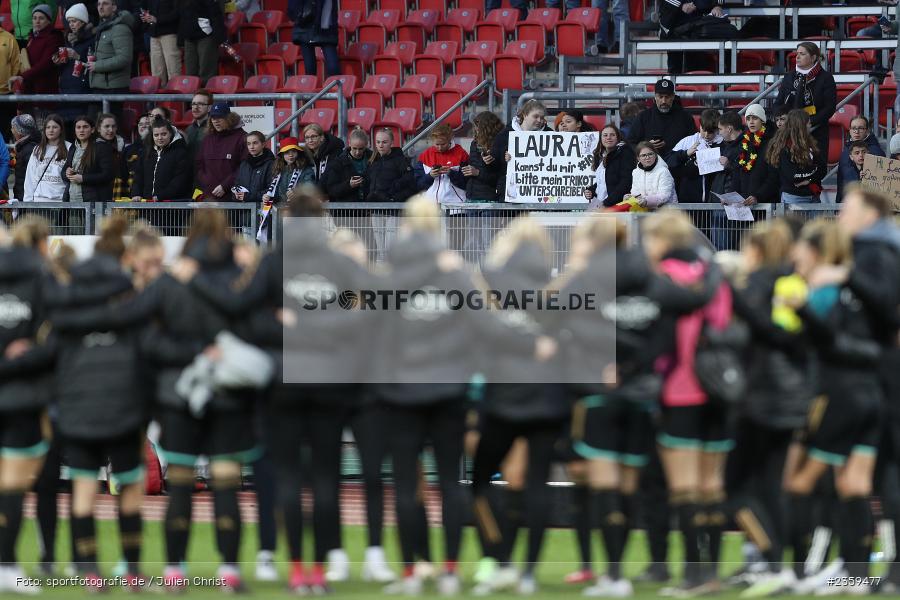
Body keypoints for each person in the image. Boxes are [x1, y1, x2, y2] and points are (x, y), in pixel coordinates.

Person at [52, 209, 266, 593]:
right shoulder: (238, 282)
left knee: (179, 484)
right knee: (225, 484)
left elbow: (134, 323)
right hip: (227, 394)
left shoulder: (169, 283)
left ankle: (171, 570)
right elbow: (256, 329)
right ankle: (228, 570)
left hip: (173, 394)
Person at [775, 219, 883, 595]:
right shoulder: (857, 290)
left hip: (833, 395)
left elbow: (813, 344)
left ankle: (798, 572)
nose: (794, 254)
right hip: (870, 393)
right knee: (854, 484)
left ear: (815, 251)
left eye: (801, 247)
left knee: (797, 481)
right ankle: (855, 573)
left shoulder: (819, 292)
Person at [641, 208, 735, 596]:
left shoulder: (663, 279)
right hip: (720, 390)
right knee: (712, 486)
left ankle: (692, 577)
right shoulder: (717, 279)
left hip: (680, 389)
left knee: (683, 488)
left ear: (664, 241)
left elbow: (659, 342)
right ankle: (710, 573)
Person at [468, 216, 564, 596]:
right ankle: (526, 572)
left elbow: (479, 333)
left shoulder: (489, 284)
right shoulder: (556, 289)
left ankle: (496, 558)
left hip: (503, 398)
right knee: (534, 483)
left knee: (479, 481)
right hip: (547, 398)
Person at [52, 216, 148, 592]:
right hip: (123, 411)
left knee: (83, 492)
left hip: (77, 414)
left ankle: (88, 568)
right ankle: (133, 569)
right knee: (128, 488)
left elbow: (51, 361)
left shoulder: (65, 317)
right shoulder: (131, 311)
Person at [730, 220, 814, 597]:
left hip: (766, 395)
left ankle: (773, 558)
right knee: (770, 485)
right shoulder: (790, 282)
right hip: (786, 394)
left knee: (737, 487)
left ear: (758, 251)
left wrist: (739, 303)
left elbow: (780, 335)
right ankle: (774, 563)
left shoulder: (762, 284)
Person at [0, 217, 55, 593]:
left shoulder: (40, 280)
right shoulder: (41, 280)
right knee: (14, 485)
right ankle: (6, 565)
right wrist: (23, 357)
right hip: (23, 397)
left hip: (20, 395)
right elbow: (52, 343)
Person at [773, 42, 837, 173]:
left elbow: (829, 108)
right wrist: (785, 120)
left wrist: (808, 123)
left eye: (802, 54)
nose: (797, 57)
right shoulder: (789, 77)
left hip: (815, 131)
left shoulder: (826, 78)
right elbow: (778, 104)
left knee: (814, 170)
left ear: (813, 57)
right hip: (789, 131)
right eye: (797, 54)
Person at [366, 128, 418, 260]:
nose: (380, 145)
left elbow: (411, 185)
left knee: (390, 246)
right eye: (378, 142)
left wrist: (394, 198)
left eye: (384, 142)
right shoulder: (373, 161)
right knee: (380, 248)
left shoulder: (400, 161)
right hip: (375, 209)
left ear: (391, 143)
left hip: (392, 210)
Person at [491, 99, 551, 202]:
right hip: (510, 197)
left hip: (538, 196)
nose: (539, 120)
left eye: (542, 117)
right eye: (535, 116)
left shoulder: (550, 135)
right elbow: (493, 166)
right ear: (524, 114)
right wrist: (504, 160)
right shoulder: (505, 135)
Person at [627, 79, 697, 160]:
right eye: (660, 97)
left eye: (667, 97)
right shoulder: (643, 117)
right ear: (655, 97)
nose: (663, 101)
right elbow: (630, 143)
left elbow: (693, 142)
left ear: (673, 97)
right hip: (650, 165)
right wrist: (646, 146)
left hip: (679, 164)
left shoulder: (685, 117)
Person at [764, 109, 823, 204]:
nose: (810, 125)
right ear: (801, 125)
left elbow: (822, 169)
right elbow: (793, 175)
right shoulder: (784, 147)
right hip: (794, 198)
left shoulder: (812, 143)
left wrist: (809, 180)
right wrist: (812, 172)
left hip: (813, 195)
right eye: (808, 123)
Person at [667, 108, 722, 203]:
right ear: (700, 125)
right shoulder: (688, 141)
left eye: (710, 132)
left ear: (717, 129)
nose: (706, 135)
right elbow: (668, 162)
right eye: (703, 129)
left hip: (715, 203)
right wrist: (685, 153)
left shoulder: (723, 143)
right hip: (689, 201)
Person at [658, 0, 731, 73]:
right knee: (676, 68)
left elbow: (712, 3)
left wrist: (717, 6)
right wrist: (681, 6)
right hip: (675, 28)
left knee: (699, 68)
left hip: (698, 29)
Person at [195, 102, 247, 201]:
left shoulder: (242, 137)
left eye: (220, 117)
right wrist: (207, 183)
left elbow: (244, 167)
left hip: (232, 198)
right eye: (213, 118)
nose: (216, 121)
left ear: (229, 118)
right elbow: (199, 165)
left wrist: (225, 186)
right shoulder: (207, 139)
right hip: (209, 197)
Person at [131, 116, 192, 201]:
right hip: (147, 206)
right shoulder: (145, 153)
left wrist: (160, 196)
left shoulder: (181, 153)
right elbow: (138, 176)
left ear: (170, 133)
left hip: (171, 206)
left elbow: (179, 181)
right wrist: (136, 193)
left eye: (164, 134)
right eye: (156, 135)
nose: (160, 138)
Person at [10, 5, 64, 97]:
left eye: (41, 18)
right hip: (30, 88)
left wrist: (23, 76)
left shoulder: (54, 37)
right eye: (34, 18)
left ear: (49, 20)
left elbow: (45, 64)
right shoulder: (32, 37)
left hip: (45, 90)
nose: (37, 21)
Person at [55, 4, 94, 132]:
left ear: (83, 21)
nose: (71, 24)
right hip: (66, 92)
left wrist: (77, 56)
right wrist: (58, 61)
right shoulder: (68, 40)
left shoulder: (92, 40)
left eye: (75, 21)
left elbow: (93, 64)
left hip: (81, 93)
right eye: (69, 21)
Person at [61, 115, 116, 202]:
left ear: (93, 129)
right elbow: (63, 172)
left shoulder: (102, 147)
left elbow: (107, 175)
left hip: (94, 200)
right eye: (78, 127)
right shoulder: (73, 147)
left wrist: (83, 178)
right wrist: (67, 173)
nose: (81, 130)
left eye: (85, 127)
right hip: (72, 199)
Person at [733, 103, 779, 206]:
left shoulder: (772, 143)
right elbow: (738, 171)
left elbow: (774, 177)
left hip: (765, 204)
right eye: (748, 119)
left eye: (755, 118)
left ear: (762, 120)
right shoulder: (744, 142)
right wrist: (732, 197)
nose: (751, 122)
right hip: (745, 203)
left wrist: (758, 196)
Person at [89, 0, 136, 98]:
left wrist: (97, 65)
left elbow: (124, 58)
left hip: (114, 89)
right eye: (98, 4)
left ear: (114, 7)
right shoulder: (103, 28)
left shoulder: (120, 28)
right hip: (101, 86)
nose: (100, 7)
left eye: (105, 3)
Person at [584, 124, 636, 208]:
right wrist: (592, 190)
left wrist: (607, 203)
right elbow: (605, 180)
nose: (608, 137)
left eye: (612, 135)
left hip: (615, 205)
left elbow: (625, 182)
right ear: (601, 139)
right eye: (605, 135)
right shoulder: (603, 156)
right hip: (602, 203)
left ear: (618, 138)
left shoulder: (625, 153)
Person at [417, 123, 469, 205]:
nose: (440, 148)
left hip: (455, 206)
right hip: (430, 207)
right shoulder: (425, 155)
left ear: (450, 140)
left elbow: (467, 182)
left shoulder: (461, 154)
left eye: (443, 144)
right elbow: (418, 184)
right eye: (437, 144)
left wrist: (451, 173)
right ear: (432, 140)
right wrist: (430, 176)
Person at [24, 114, 71, 202]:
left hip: (61, 200)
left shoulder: (69, 148)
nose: (51, 130)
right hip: (39, 200)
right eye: (48, 127)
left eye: (55, 127)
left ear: (61, 129)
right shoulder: (38, 149)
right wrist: (28, 202)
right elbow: (30, 178)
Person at [837, 116, 885, 202]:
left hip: (867, 203)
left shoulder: (876, 151)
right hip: (846, 201)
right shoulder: (846, 149)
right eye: (854, 128)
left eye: (861, 128)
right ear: (850, 130)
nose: (856, 131)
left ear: (867, 130)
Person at [617, 142, 676, 210]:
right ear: (638, 158)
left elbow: (664, 196)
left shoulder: (663, 171)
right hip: (646, 213)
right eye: (643, 155)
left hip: (667, 214)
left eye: (650, 154)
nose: (647, 157)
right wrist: (630, 197)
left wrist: (647, 201)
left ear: (655, 155)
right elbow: (636, 193)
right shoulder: (636, 172)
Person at [179, 0, 225, 85]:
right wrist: (181, 38)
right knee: (190, 71)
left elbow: (216, 13)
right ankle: (191, 95)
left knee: (206, 70)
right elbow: (182, 15)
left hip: (206, 35)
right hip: (189, 36)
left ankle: (206, 94)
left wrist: (219, 36)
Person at [261, 137, 316, 206]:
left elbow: (310, 186)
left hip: (301, 210)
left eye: (293, 151)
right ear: (282, 155)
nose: (291, 155)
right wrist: (268, 197)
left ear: (298, 153)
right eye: (287, 152)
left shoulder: (306, 169)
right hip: (283, 212)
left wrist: (298, 192)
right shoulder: (278, 171)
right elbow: (277, 195)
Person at [293, 0, 339, 80]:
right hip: (312, 25)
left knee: (331, 68)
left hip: (320, 24)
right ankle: (314, 90)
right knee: (310, 69)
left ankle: (335, 89)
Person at [323, 127, 371, 203]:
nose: (357, 152)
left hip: (367, 208)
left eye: (361, 149)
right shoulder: (338, 163)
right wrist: (348, 185)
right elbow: (331, 190)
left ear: (366, 144)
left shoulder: (373, 159)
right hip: (346, 210)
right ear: (349, 143)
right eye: (354, 148)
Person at [142, 0, 180, 87]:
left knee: (173, 68)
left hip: (169, 34)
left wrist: (157, 19)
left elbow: (177, 13)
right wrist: (146, 17)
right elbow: (147, 9)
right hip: (154, 34)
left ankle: (177, 96)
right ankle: (159, 98)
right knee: (156, 71)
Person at [234, 131, 275, 205]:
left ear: (263, 144)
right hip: (244, 210)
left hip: (262, 210)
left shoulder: (271, 164)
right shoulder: (244, 164)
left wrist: (248, 196)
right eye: (248, 144)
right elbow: (237, 184)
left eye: (255, 143)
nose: (251, 147)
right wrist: (236, 194)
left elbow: (271, 189)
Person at [10, 114, 40, 202]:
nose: (11, 130)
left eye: (13, 127)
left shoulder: (29, 149)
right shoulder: (23, 147)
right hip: (23, 196)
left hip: (27, 199)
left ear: (20, 131)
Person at [0, 17, 21, 143]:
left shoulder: (9, 38)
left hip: (5, 95)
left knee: (5, 135)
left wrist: (9, 85)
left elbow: (16, 64)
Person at [185, 89, 213, 164]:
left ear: (209, 108)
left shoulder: (214, 129)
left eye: (200, 104)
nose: (196, 107)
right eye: (193, 104)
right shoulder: (189, 129)